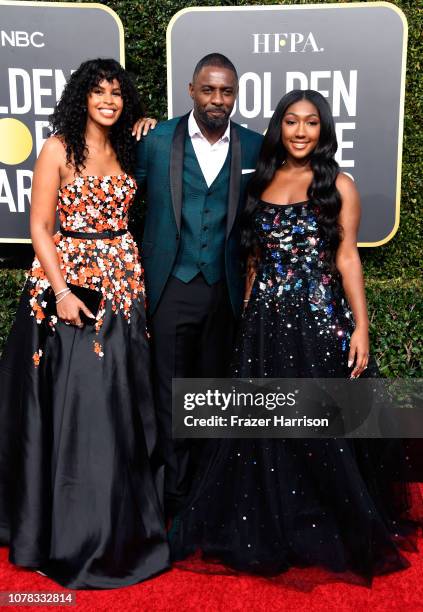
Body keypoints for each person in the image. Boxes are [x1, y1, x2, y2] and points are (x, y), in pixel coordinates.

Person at [169, 90, 422, 583]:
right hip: (263, 324)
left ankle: (321, 524)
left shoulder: (338, 185)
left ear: (323, 130)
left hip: (318, 321)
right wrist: (246, 313)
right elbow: (254, 259)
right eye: (291, 121)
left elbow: (348, 258)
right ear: (279, 129)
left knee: (320, 430)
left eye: (310, 122)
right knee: (264, 429)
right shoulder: (258, 182)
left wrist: (361, 326)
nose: (301, 131)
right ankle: (271, 523)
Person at [0, 58, 169, 589]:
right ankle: (72, 533)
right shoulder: (57, 148)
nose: (109, 100)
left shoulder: (131, 145)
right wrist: (62, 292)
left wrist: (148, 124)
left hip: (123, 283)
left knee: (120, 404)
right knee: (79, 408)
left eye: (117, 93)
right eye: (98, 91)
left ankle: (119, 524)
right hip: (70, 286)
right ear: (81, 96)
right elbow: (39, 226)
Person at [134, 53, 263, 518]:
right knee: (169, 396)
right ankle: (173, 499)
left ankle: (208, 502)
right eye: (208, 89)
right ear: (191, 90)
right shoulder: (155, 139)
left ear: (235, 95)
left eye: (226, 91)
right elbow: (130, 202)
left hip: (224, 289)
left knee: (212, 396)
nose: (217, 99)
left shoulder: (255, 145)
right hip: (170, 284)